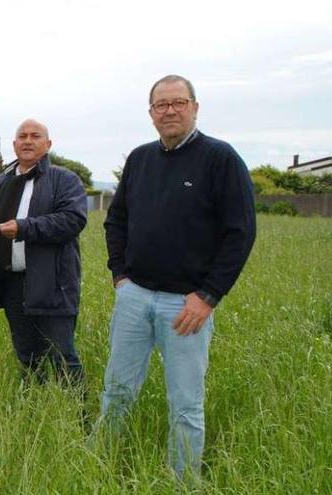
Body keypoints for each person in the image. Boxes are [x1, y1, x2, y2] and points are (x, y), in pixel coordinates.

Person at [98, 74, 256, 478]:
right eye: (161, 105)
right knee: (116, 393)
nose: (169, 111)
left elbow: (240, 233)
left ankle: (183, 481)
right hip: (134, 297)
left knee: (185, 403)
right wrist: (121, 276)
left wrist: (207, 296)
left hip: (185, 305)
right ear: (150, 113)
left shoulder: (220, 159)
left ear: (195, 107)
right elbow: (116, 221)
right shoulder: (139, 159)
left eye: (178, 103)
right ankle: (98, 466)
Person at [0, 119, 87, 385]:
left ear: (48, 144)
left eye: (35, 136)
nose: (28, 140)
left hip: (53, 284)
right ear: (14, 144)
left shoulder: (64, 179)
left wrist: (25, 228)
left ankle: (79, 419)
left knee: (62, 356)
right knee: (27, 356)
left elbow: (72, 220)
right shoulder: (2, 182)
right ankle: (34, 411)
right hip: (13, 284)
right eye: (22, 136)